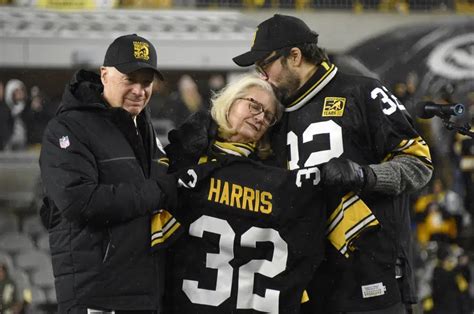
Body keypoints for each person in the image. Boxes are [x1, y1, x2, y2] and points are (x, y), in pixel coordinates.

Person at [232, 14, 433, 314]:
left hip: (371, 276)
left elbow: (419, 164)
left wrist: (365, 175)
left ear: (295, 56)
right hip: (308, 282)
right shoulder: (275, 114)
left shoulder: (364, 92)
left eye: (265, 65)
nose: (262, 75)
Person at [154, 74, 379, 313]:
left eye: (269, 116)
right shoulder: (182, 156)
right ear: (230, 100)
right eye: (254, 105)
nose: (261, 117)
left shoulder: (284, 178)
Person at [39, 34, 176, 314]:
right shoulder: (67, 128)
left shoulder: (144, 128)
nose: (139, 90)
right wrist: (159, 192)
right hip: (98, 297)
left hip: (142, 292)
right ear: (104, 75)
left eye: (146, 82)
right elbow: (80, 202)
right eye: (130, 79)